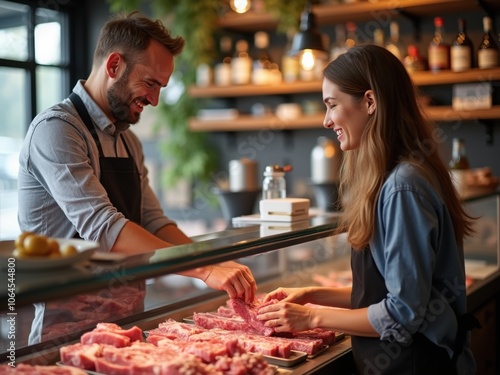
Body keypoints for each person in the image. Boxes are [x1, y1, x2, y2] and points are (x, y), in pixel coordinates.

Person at [257, 45, 478, 374]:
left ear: (370, 102)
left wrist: (311, 317)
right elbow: (387, 292)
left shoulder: (403, 187)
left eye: (332, 105)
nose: (326, 119)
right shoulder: (399, 175)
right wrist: (310, 295)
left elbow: (403, 313)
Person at [17, 12, 256, 303]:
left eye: (160, 88)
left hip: (124, 314)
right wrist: (205, 270)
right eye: (150, 83)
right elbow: (102, 226)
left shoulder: (129, 141)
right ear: (115, 65)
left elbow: (154, 222)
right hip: (61, 320)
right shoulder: (56, 130)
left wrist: (212, 259)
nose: (154, 100)